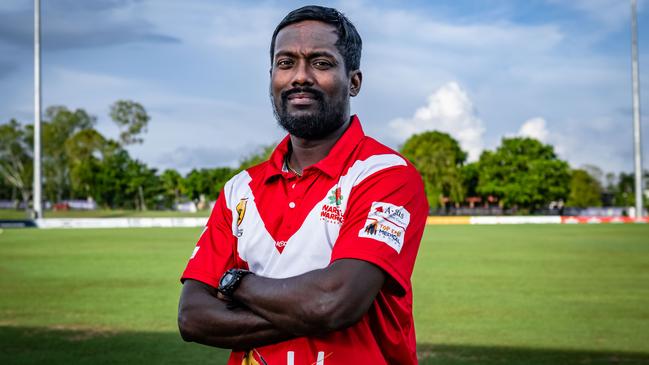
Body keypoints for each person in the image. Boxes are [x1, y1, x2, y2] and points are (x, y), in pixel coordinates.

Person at [178, 5, 428, 364]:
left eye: (321, 63)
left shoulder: (385, 175)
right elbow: (193, 317)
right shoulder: (239, 190)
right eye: (285, 63)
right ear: (271, 77)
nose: (300, 76)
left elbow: (334, 303)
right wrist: (305, 309)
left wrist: (236, 283)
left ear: (354, 82)